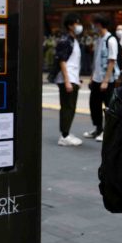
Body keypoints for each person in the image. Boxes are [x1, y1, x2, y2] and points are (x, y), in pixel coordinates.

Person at [83, 13, 119, 142]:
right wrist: (93, 77)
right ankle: (98, 128)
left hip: (106, 81)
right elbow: (96, 61)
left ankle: (108, 131)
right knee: (94, 105)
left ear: (99, 25)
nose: (93, 27)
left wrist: (105, 80)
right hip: (96, 79)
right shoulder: (99, 39)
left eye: (95, 24)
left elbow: (111, 61)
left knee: (108, 107)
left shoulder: (111, 40)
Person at [53, 13, 84, 147]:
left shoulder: (73, 40)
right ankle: (64, 136)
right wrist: (67, 80)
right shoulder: (65, 40)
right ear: (70, 26)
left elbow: (74, 62)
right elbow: (62, 61)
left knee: (70, 107)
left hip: (73, 78)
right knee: (67, 107)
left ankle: (66, 133)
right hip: (68, 78)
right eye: (76, 23)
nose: (79, 26)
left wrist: (77, 79)